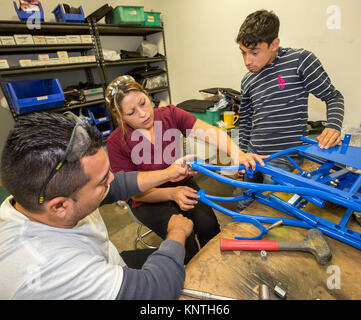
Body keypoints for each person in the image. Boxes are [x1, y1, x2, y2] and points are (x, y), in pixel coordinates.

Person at [0, 111, 197, 300]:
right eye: (101, 180)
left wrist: (168, 173)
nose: (111, 178)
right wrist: (175, 232)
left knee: (175, 259)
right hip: (81, 275)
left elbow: (117, 185)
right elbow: (156, 290)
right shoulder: (49, 269)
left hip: (106, 261)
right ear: (59, 207)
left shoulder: (39, 198)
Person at [105, 75, 268, 263]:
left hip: (183, 183)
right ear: (119, 117)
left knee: (210, 227)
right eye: (131, 112)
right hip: (149, 197)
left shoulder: (169, 115)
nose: (143, 113)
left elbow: (210, 132)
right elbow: (136, 194)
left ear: (146, 95)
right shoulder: (116, 143)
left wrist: (238, 154)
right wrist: (172, 193)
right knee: (185, 241)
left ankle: (213, 270)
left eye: (143, 103)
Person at [235, 9, 345, 211]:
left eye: (254, 52)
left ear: (274, 44)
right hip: (252, 155)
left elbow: (333, 97)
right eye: (243, 52)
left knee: (273, 210)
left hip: (283, 161)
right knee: (244, 204)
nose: (247, 61)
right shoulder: (248, 80)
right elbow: (246, 120)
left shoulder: (300, 61)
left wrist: (333, 126)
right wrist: (241, 154)